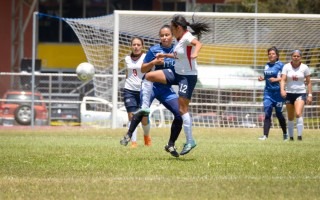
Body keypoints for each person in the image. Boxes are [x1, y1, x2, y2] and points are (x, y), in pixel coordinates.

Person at [144, 14, 210, 155]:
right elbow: (177, 55)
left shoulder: (186, 37)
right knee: (149, 76)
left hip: (187, 77)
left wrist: (195, 54)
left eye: (172, 29)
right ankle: (145, 105)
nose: (171, 32)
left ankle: (190, 140)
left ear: (178, 28)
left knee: (182, 110)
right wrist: (164, 55)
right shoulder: (180, 40)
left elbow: (198, 44)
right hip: (176, 73)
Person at [120, 25, 183, 157]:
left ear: (172, 36)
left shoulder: (177, 50)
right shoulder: (154, 50)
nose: (164, 37)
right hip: (151, 87)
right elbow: (143, 69)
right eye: (162, 35)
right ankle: (129, 135)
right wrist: (154, 62)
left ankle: (170, 144)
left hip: (166, 89)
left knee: (180, 113)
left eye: (167, 35)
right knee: (143, 110)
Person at [123, 37, 151, 148]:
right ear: (131, 46)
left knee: (144, 119)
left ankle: (146, 136)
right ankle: (133, 142)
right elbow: (127, 73)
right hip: (129, 90)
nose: (136, 47)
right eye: (134, 44)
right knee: (131, 116)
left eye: (138, 45)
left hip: (143, 91)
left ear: (142, 46)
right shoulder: (127, 59)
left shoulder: (146, 57)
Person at [280, 50, 313, 141]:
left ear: (300, 57)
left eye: (298, 56)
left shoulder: (305, 67)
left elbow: (309, 82)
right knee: (290, 116)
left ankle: (299, 136)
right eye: (294, 56)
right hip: (289, 93)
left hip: (300, 93)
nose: (296, 57)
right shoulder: (286, 67)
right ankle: (291, 137)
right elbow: (283, 79)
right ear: (291, 57)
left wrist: (309, 94)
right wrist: (282, 90)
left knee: (298, 113)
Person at [258, 46, 288, 141]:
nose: (271, 55)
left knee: (279, 114)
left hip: (278, 93)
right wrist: (263, 78)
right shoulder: (266, 65)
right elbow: (268, 76)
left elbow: (285, 77)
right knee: (267, 113)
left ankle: (285, 134)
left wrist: (276, 79)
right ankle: (265, 136)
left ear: (277, 55)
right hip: (268, 93)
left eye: (273, 54)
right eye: (269, 54)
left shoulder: (281, 65)